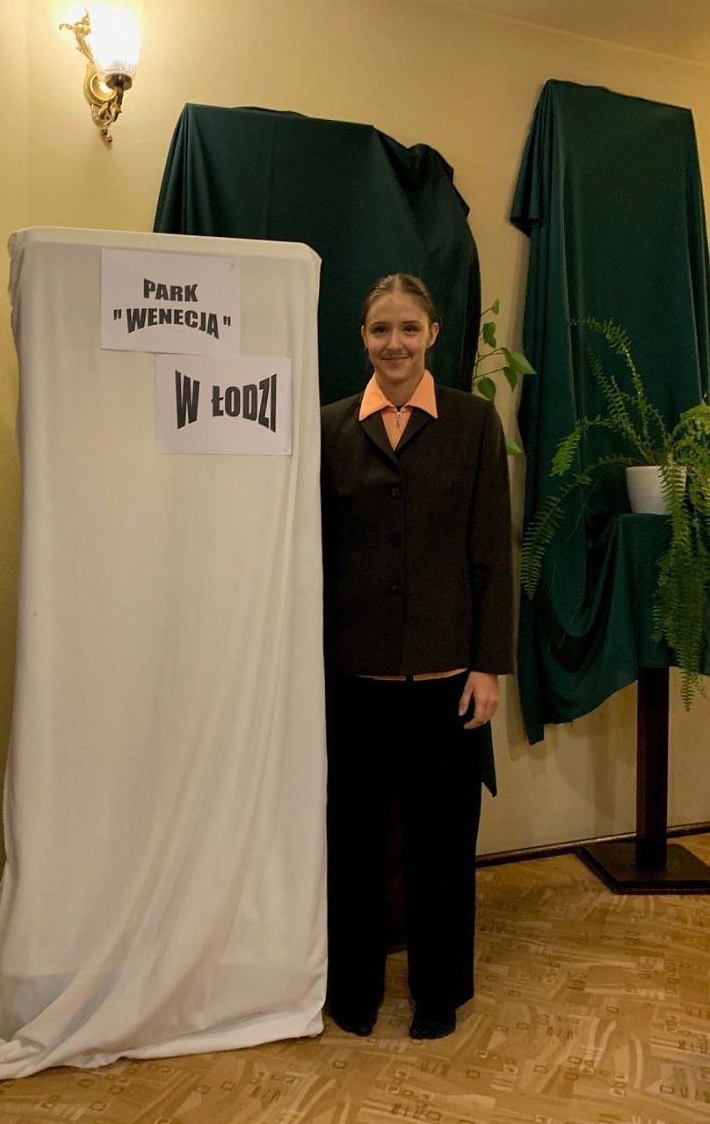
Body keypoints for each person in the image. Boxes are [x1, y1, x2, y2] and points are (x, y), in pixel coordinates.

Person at [320, 273, 513, 1041]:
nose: (394, 343)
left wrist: (488, 665)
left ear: (433, 333)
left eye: (408, 328)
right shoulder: (331, 427)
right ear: (362, 338)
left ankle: (440, 992)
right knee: (353, 842)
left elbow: (490, 552)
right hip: (354, 677)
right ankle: (353, 989)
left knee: (443, 845)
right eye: (380, 329)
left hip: (448, 679)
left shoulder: (473, 423)